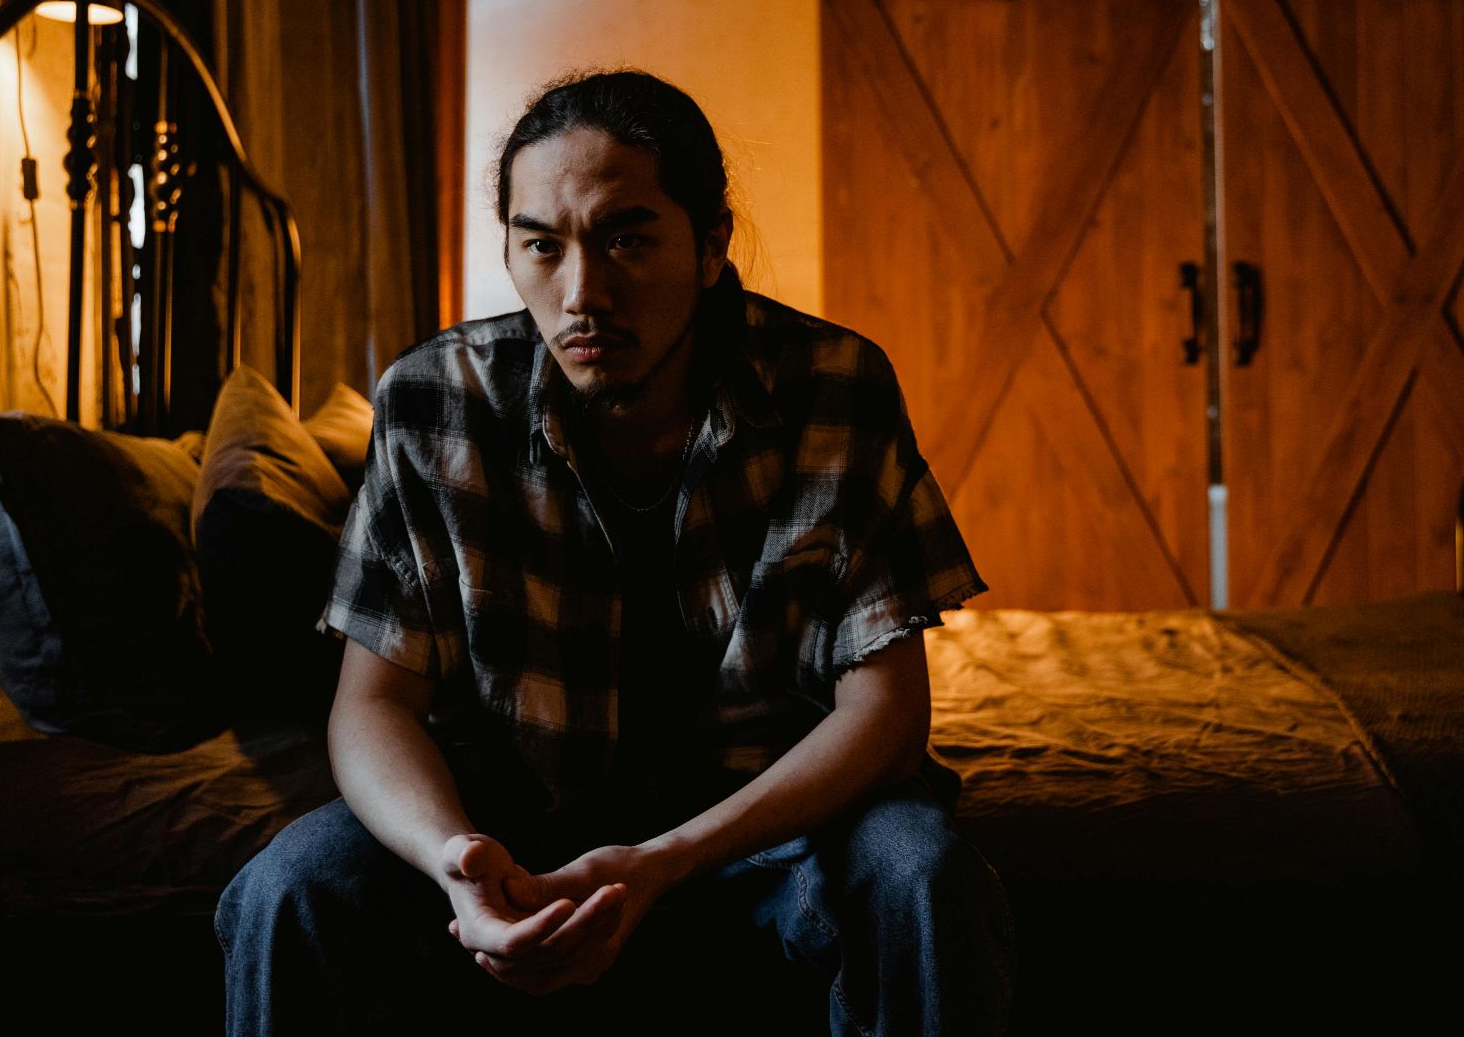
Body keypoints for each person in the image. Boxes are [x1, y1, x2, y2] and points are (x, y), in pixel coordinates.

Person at [216, 70, 1014, 1036]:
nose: (583, 293)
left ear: (712, 243)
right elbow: (372, 704)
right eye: (541, 246)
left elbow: (886, 711)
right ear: (509, 250)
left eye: (629, 239)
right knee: (291, 886)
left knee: (917, 872)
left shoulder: (831, 386)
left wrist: (667, 859)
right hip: (508, 823)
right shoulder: (436, 400)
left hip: (766, 825)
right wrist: (456, 861)